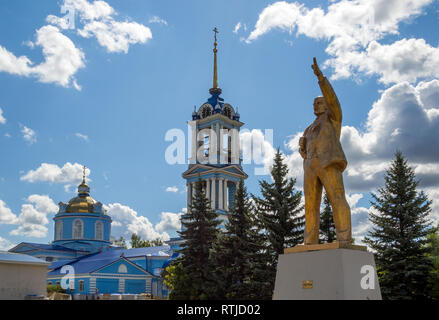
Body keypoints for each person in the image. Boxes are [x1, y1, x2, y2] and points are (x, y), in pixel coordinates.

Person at [299, 57, 352, 245]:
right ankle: (310, 240)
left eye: (319, 103)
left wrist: (320, 78)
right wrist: (303, 150)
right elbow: (305, 148)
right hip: (310, 166)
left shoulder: (333, 118)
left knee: (337, 198)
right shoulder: (309, 127)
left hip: (328, 163)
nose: (316, 106)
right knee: (310, 205)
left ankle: (344, 237)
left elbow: (333, 99)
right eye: (314, 103)